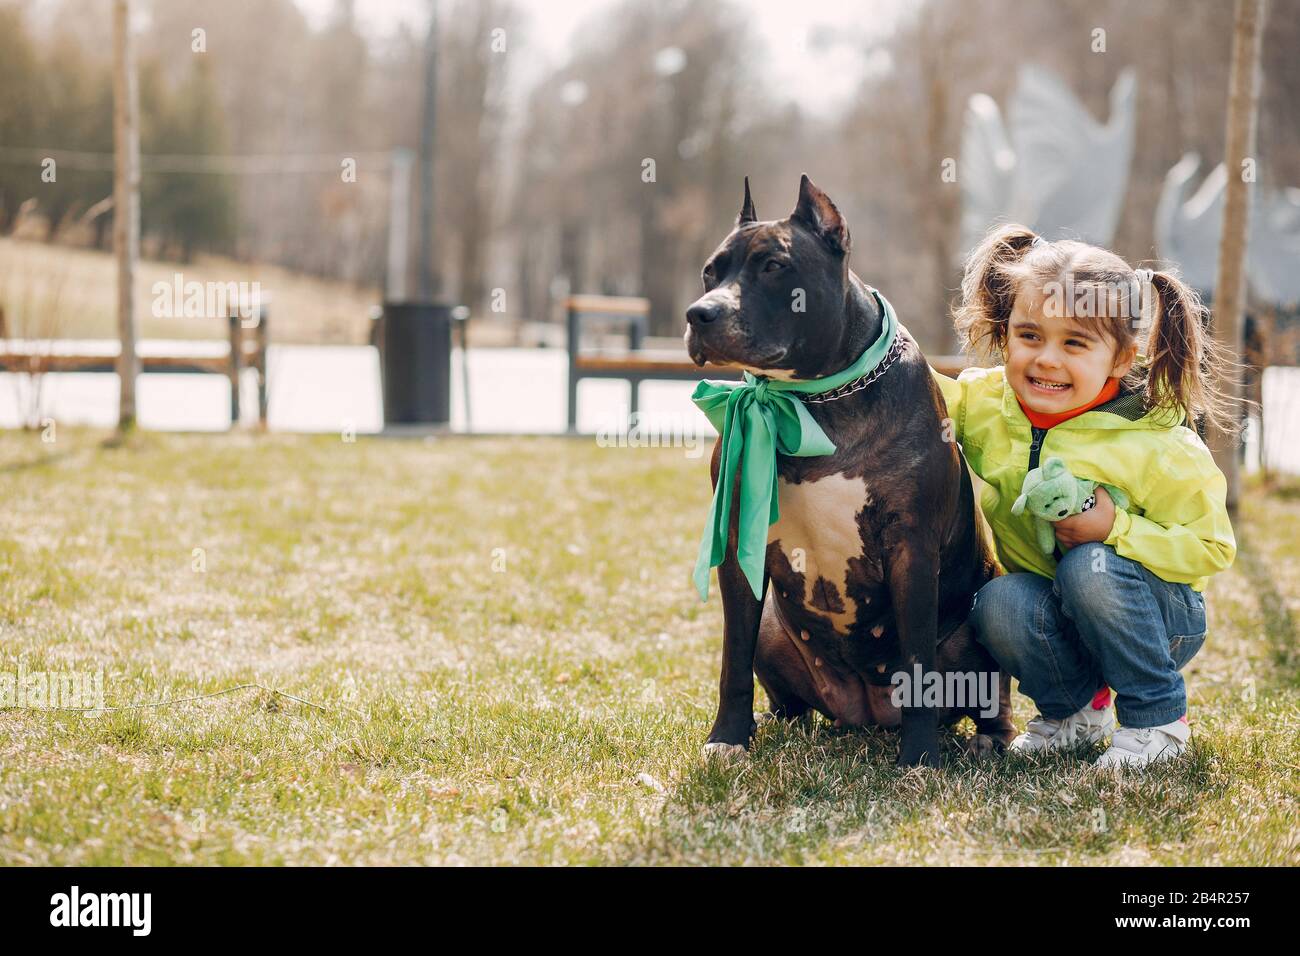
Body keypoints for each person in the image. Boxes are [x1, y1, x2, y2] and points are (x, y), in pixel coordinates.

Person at [934, 224, 1237, 768]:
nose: (1047, 359)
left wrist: (1115, 529)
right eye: (1029, 336)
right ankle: (1073, 712)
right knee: (997, 601)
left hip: (1159, 620)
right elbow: (921, 396)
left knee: (1089, 567)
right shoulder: (986, 404)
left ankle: (1158, 721)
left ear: (1122, 359)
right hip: (1057, 620)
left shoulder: (1157, 443)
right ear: (1006, 336)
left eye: (1074, 343)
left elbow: (1211, 548)